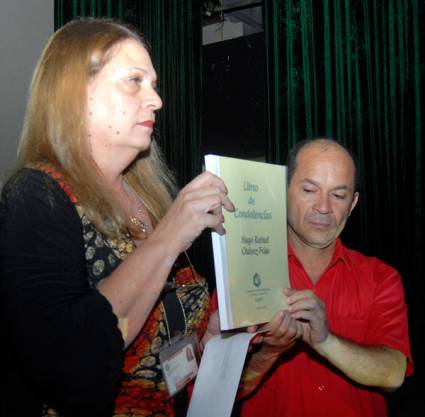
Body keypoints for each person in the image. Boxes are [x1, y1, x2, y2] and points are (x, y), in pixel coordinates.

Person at [0, 17, 234, 417]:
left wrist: (212, 339)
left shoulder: (149, 197)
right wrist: (169, 237)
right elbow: (67, 366)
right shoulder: (36, 197)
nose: (157, 100)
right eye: (134, 81)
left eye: (154, 84)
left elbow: (163, 350)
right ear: (75, 93)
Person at [235, 138, 413, 417]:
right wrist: (269, 352)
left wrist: (324, 340)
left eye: (338, 195)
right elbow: (219, 393)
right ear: (283, 191)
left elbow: (393, 374)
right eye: (309, 190)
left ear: (353, 203)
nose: (324, 207)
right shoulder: (242, 273)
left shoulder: (381, 278)